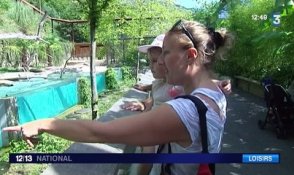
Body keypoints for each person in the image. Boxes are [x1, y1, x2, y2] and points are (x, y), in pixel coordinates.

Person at [3, 20, 233, 175]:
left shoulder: (185, 111)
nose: (160, 61)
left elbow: (99, 132)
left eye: (166, 53)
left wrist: (42, 124)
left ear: (190, 56)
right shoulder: (215, 94)